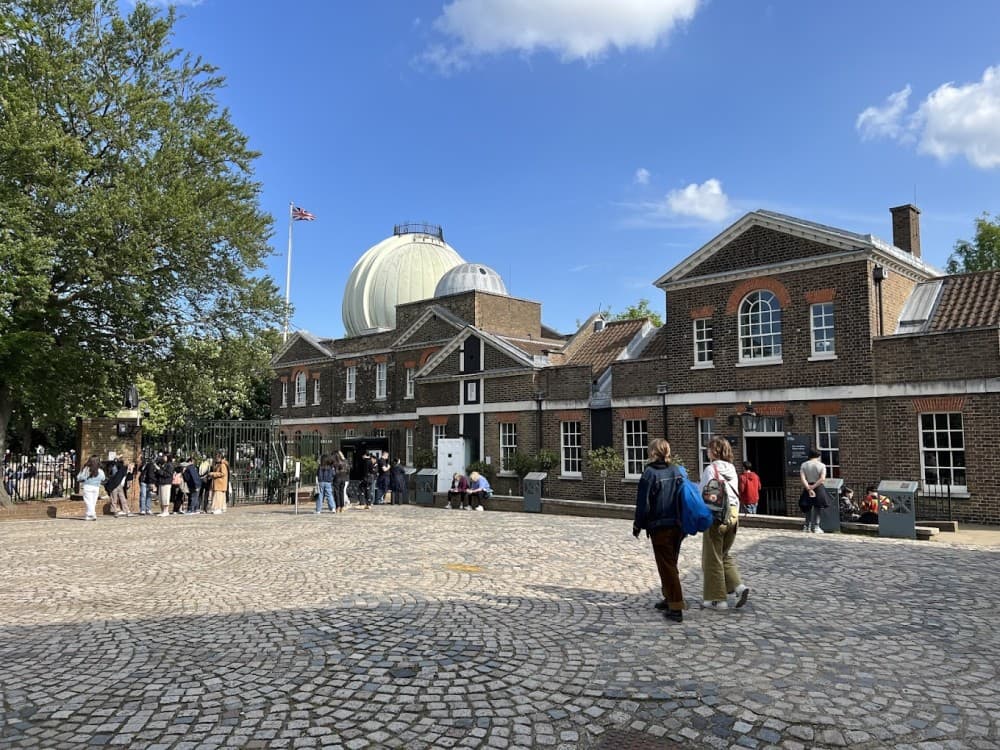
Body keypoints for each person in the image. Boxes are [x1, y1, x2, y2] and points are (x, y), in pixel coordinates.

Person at [632, 439, 687, 623]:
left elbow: (643, 504)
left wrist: (637, 525)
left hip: (660, 526)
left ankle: (676, 606)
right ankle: (668, 598)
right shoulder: (677, 471)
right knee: (670, 563)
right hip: (678, 525)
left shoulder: (649, 474)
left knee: (667, 566)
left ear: (653, 452)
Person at [699, 436, 749, 611]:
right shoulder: (732, 468)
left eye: (709, 448)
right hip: (734, 515)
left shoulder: (711, 469)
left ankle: (717, 600)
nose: (707, 451)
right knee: (724, 554)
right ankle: (738, 586)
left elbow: (704, 493)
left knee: (712, 558)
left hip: (717, 515)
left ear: (715, 451)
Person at [799, 449, 830, 533]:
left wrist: (809, 488)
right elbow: (822, 478)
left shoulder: (804, 465)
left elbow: (803, 478)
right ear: (818, 456)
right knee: (818, 507)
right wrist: (814, 487)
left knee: (807, 507)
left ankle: (806, 526)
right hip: (818, 487)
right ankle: (816, 527)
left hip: (807, 486)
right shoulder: (822, 465)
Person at [76, 455, 105, 521]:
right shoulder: (100, 470)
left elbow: (79, 477)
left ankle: (91, 514)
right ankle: (90, 515)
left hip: (87, 487)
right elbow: (103, 478)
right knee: (93, 502)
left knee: (89, 502)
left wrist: (85, 478)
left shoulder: (86, 469)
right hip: (96, 487)